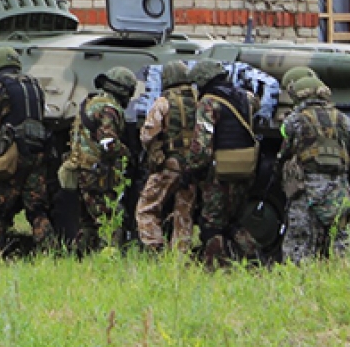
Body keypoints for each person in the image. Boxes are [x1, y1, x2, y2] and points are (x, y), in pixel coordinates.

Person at [278, 66, 350, 261]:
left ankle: (299, 286)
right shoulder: (343, 119)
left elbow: (285, 149)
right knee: (343, 244)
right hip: (340, 189)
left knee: (300, 245)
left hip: (306, 191)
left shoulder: (294, 121)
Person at [0, 45, 57, 257]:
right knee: (36, 209)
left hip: (12, 155)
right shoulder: (33, 86)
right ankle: (49, 252)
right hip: (38, 153)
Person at [185, 59, 259, 263]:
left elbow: (202, 142)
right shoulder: (246, 97)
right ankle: (254, 256)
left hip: (220, 172)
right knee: (233, 221)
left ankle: (215, 266)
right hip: (245, 167)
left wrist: (192, 170)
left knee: (212, 224)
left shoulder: (209, 102)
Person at [65, 67, 135, 252]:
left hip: (82, 168)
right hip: (97, 173)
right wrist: (128, 154)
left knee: (87, 221)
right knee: (110, 216)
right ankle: (109, 257)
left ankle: (77, 257)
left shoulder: (90, 102)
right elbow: (108, 143)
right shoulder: (109, 109)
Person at [134, 61, 197, 251]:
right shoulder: (197, 101)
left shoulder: (163, 102)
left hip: (168, 166)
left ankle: (154, 246)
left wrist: (154, 150)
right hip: (191, 167)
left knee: (146, 208)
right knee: (183, 213)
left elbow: (147, 135)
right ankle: (181, 255)